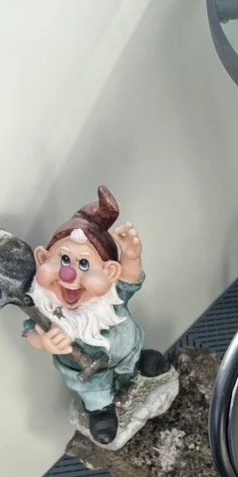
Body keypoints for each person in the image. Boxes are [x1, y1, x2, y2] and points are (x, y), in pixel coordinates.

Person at [25, 185, 167, 444]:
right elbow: (30, 333)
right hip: (90, 377)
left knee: (134, 364)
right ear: (42, 258)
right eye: (63, 260)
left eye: (84, 264)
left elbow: (131, 278)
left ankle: (138, 368)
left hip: (125, 353)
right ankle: (101, 412)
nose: (69, 276)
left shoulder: (111, 297)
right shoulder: (43, 310)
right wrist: (44, 342)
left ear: (110, 273)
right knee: (96, 394)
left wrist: (132, 256)